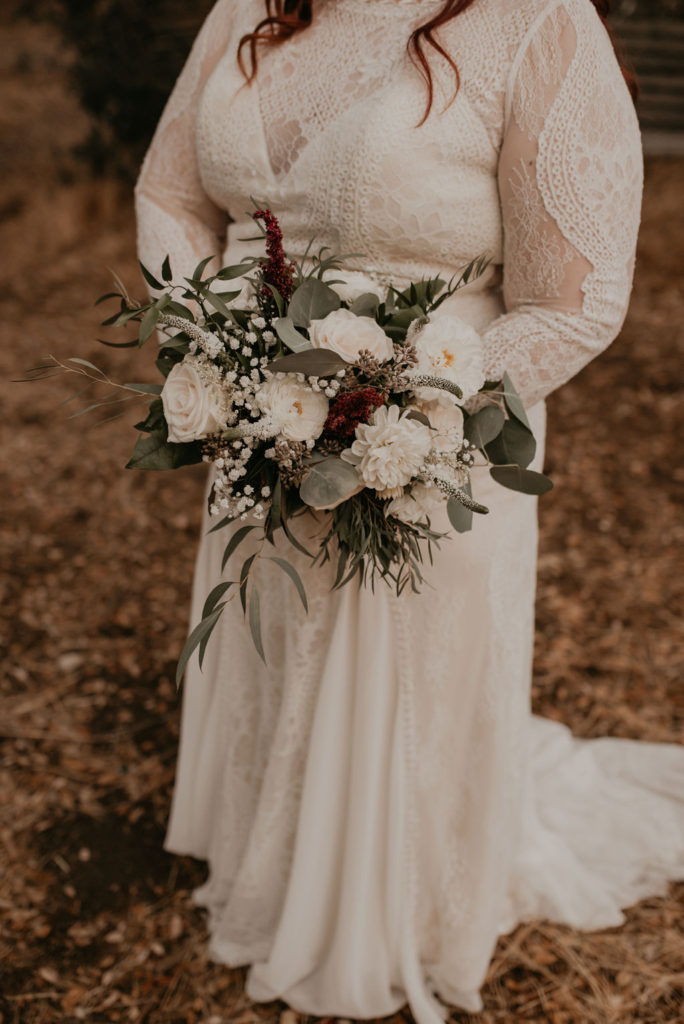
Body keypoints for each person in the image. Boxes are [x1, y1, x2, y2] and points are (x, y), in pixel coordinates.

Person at [134, 1, 684, 1020]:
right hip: (261, 421)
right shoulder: (251, 7)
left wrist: (405, 410)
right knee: (276, 641)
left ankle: (380, 900)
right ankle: (275, 854)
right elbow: (170, 192)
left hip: (424, 440)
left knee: (380, 672)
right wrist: (217, 348)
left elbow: (578, 297)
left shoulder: (535, 22)